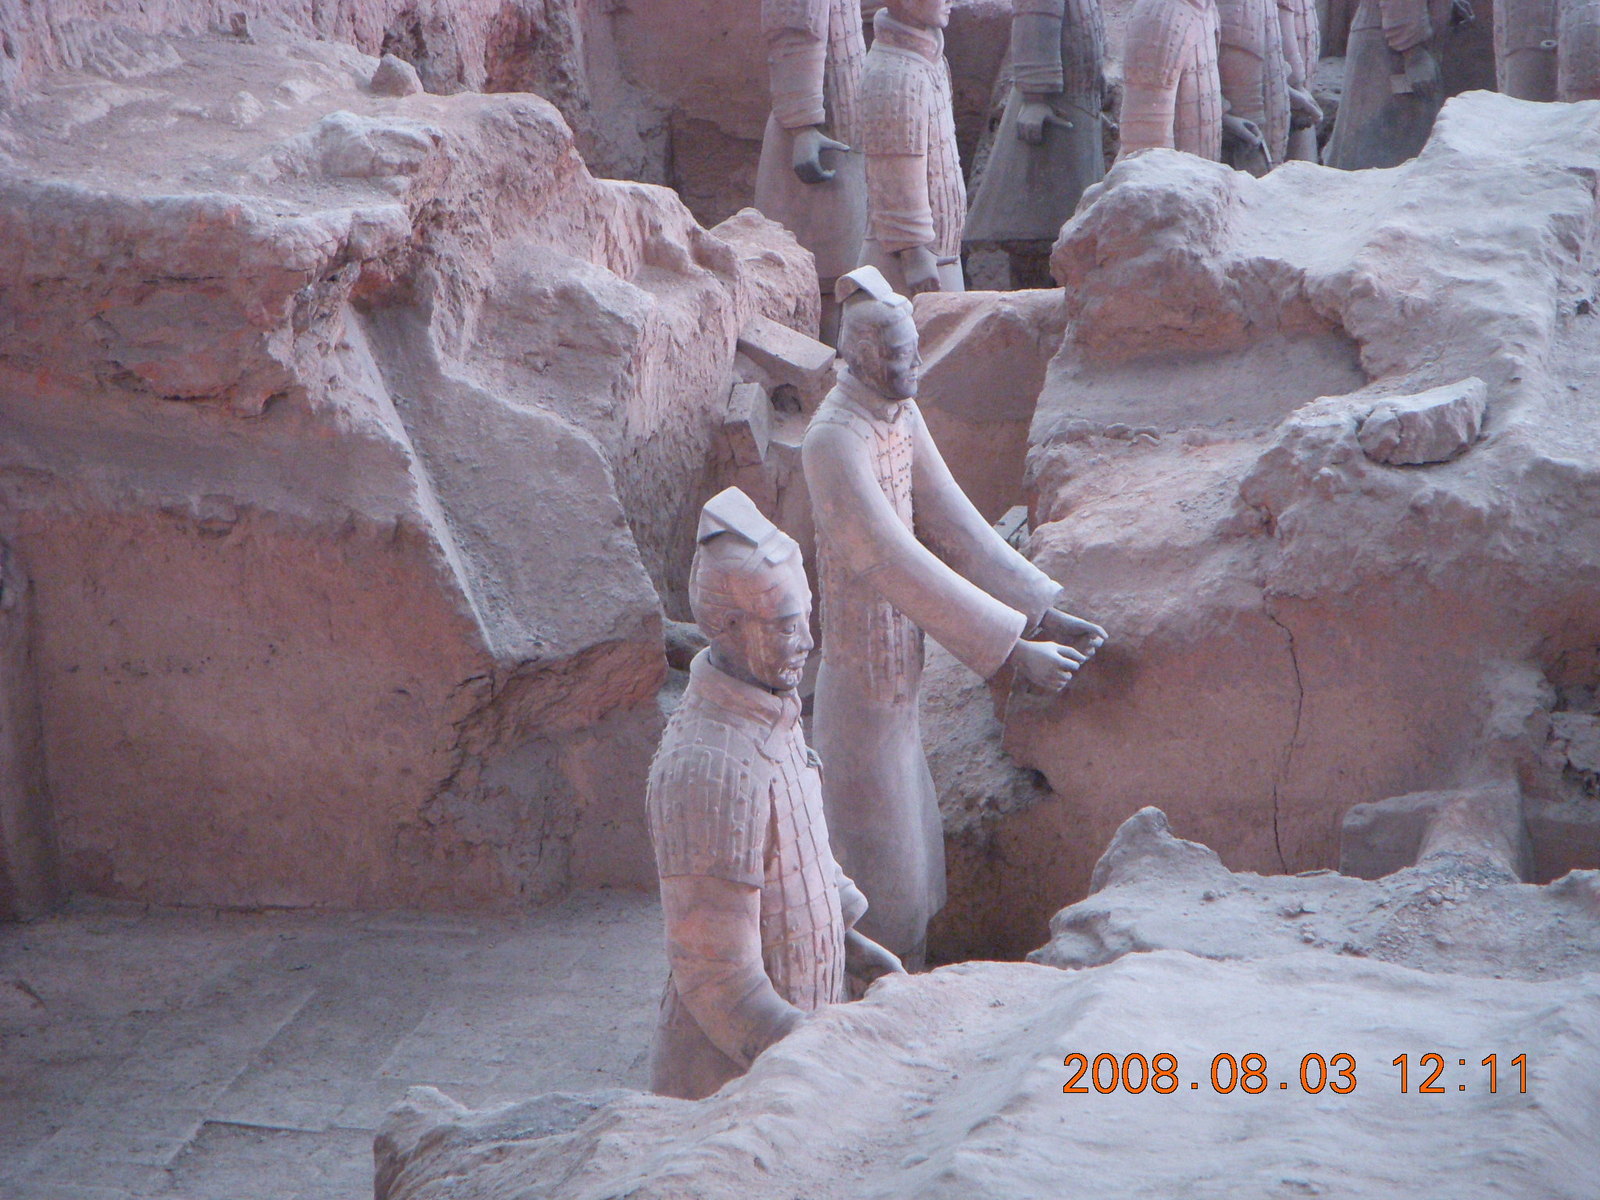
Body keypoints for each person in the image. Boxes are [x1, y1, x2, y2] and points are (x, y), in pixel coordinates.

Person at [803, 266, 1108, 968]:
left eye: (913, 350)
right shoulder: (833, 442)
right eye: (895, 355)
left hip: (900, 677)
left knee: (918, 864)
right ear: (856, 356)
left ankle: (907, 986)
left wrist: (1041, 609)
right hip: (859, 689)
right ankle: (867, 1003)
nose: (911, 366)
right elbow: (894, 562)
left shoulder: (898, 413)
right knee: (881, 876)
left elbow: (952, 520)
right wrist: (1012, 651)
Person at [647, 487, 903, 1100]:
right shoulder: (707, 768)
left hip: (800, 1027)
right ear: (730, 628)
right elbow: (718, 980)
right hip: (731, 1086)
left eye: (805, 618)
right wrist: (815, 1061)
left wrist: (846, 939)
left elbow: (796, 848)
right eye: (787, 625)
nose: (807, 641)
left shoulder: (770, 712)